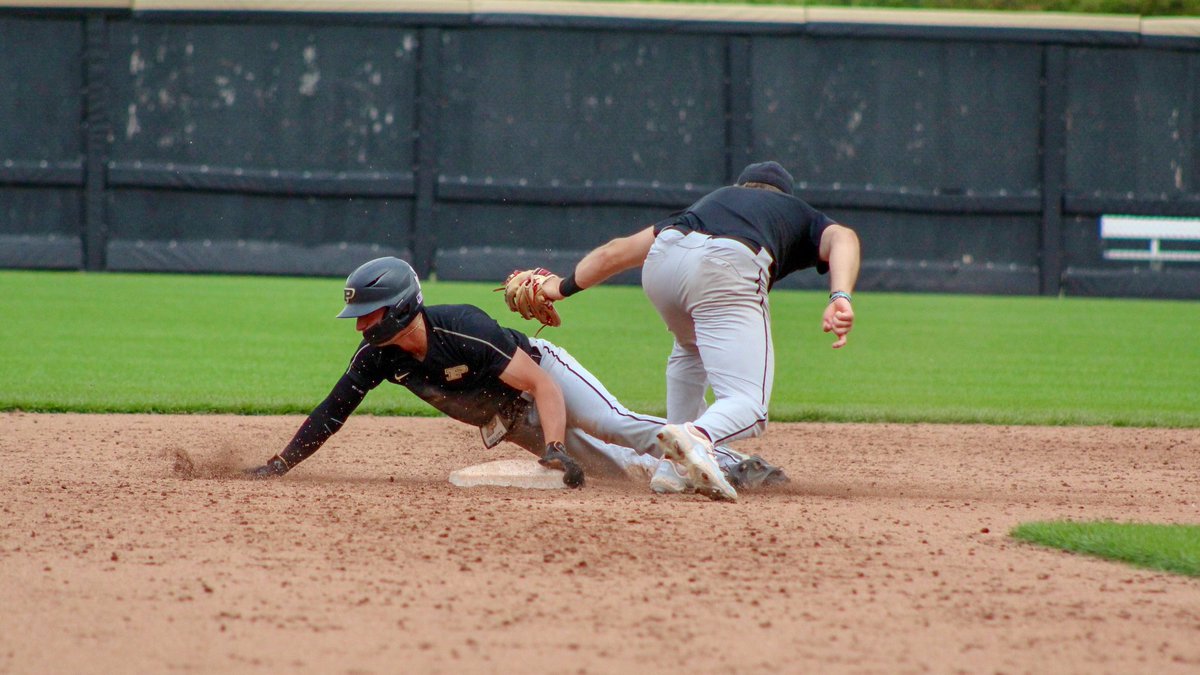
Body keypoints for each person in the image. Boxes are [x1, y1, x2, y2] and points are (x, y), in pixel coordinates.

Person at [246, 256, 783, 500]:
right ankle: (691, 472)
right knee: (617, 473)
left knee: (612, 424)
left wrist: (553, 447)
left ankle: (733, 460)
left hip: (543, 376)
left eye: (368, 313)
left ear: (398, 308)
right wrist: (279, 464)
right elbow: (331, 412)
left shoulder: (464, 328)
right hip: (512, 415)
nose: (361, 325)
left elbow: (541, 387)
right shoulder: (378, 357)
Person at [528, 160, 861, 501]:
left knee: (691, 346)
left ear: (741, 188)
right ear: (784, 196)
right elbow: (844, 238)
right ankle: (695, 436)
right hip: (728, 262)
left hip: (664, 262)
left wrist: (561, 287)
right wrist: (840, 296)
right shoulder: (796, 212)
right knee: (748, 403)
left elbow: (616, 252)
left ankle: (671, 469)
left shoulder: (708, 203)